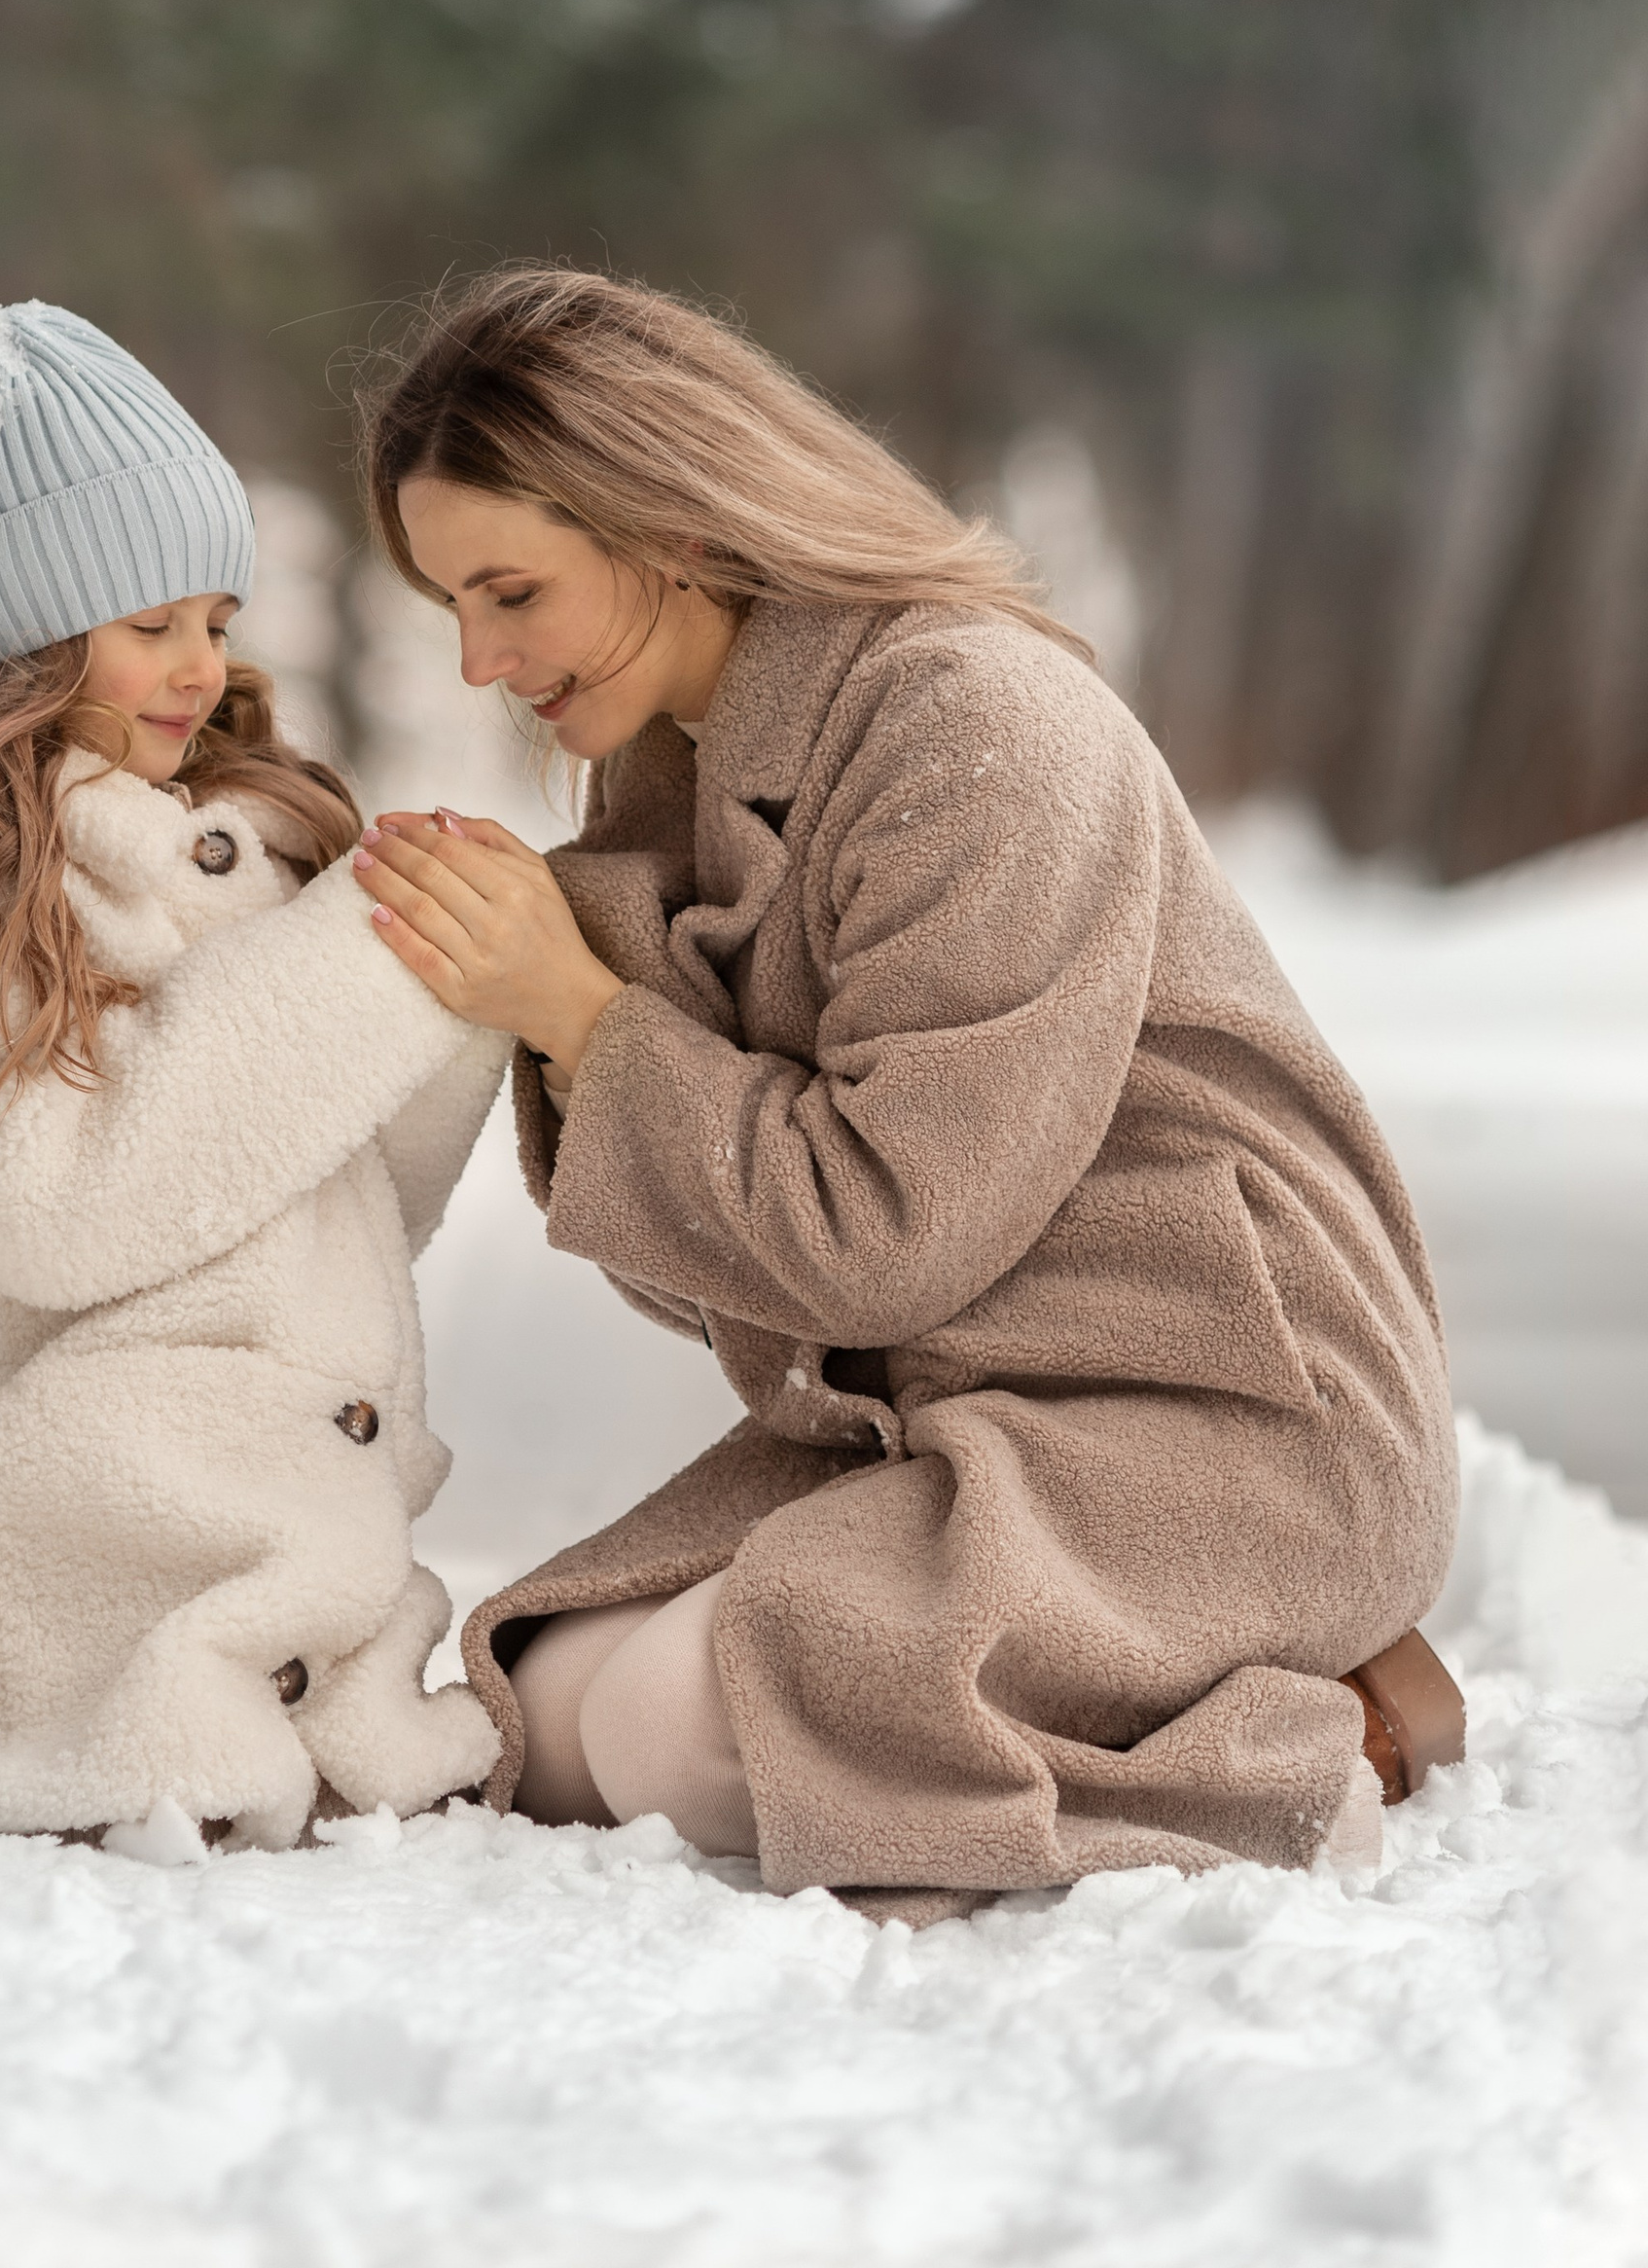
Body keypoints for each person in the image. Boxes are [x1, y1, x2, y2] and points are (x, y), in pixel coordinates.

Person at [349, 267, 1462, 1919]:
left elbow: (878, 1239)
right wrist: (558, 1003)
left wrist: (580, 1011)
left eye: (509, 591)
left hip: (1228, 1418)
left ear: (660, 520)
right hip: (977, 1416)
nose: (474, 660)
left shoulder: (974, 724)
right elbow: (722, 1276)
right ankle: (1129, 1670)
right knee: (556, 1696)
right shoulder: (680, 779)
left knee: (683, 1717)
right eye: (452, 603)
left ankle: (1284, 1734)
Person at [0, 301, 503, 1849]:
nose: (203, 668)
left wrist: (439, 980)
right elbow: (51, 1208)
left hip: (270, 1487)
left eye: (218, 618)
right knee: (168, 1693)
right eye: (154, 627)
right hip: (55, 1497)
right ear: (37, 632)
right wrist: (344, 967)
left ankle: (257, 1643)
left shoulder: (236, 838)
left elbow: (339, 1208)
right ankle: (138, 1684)